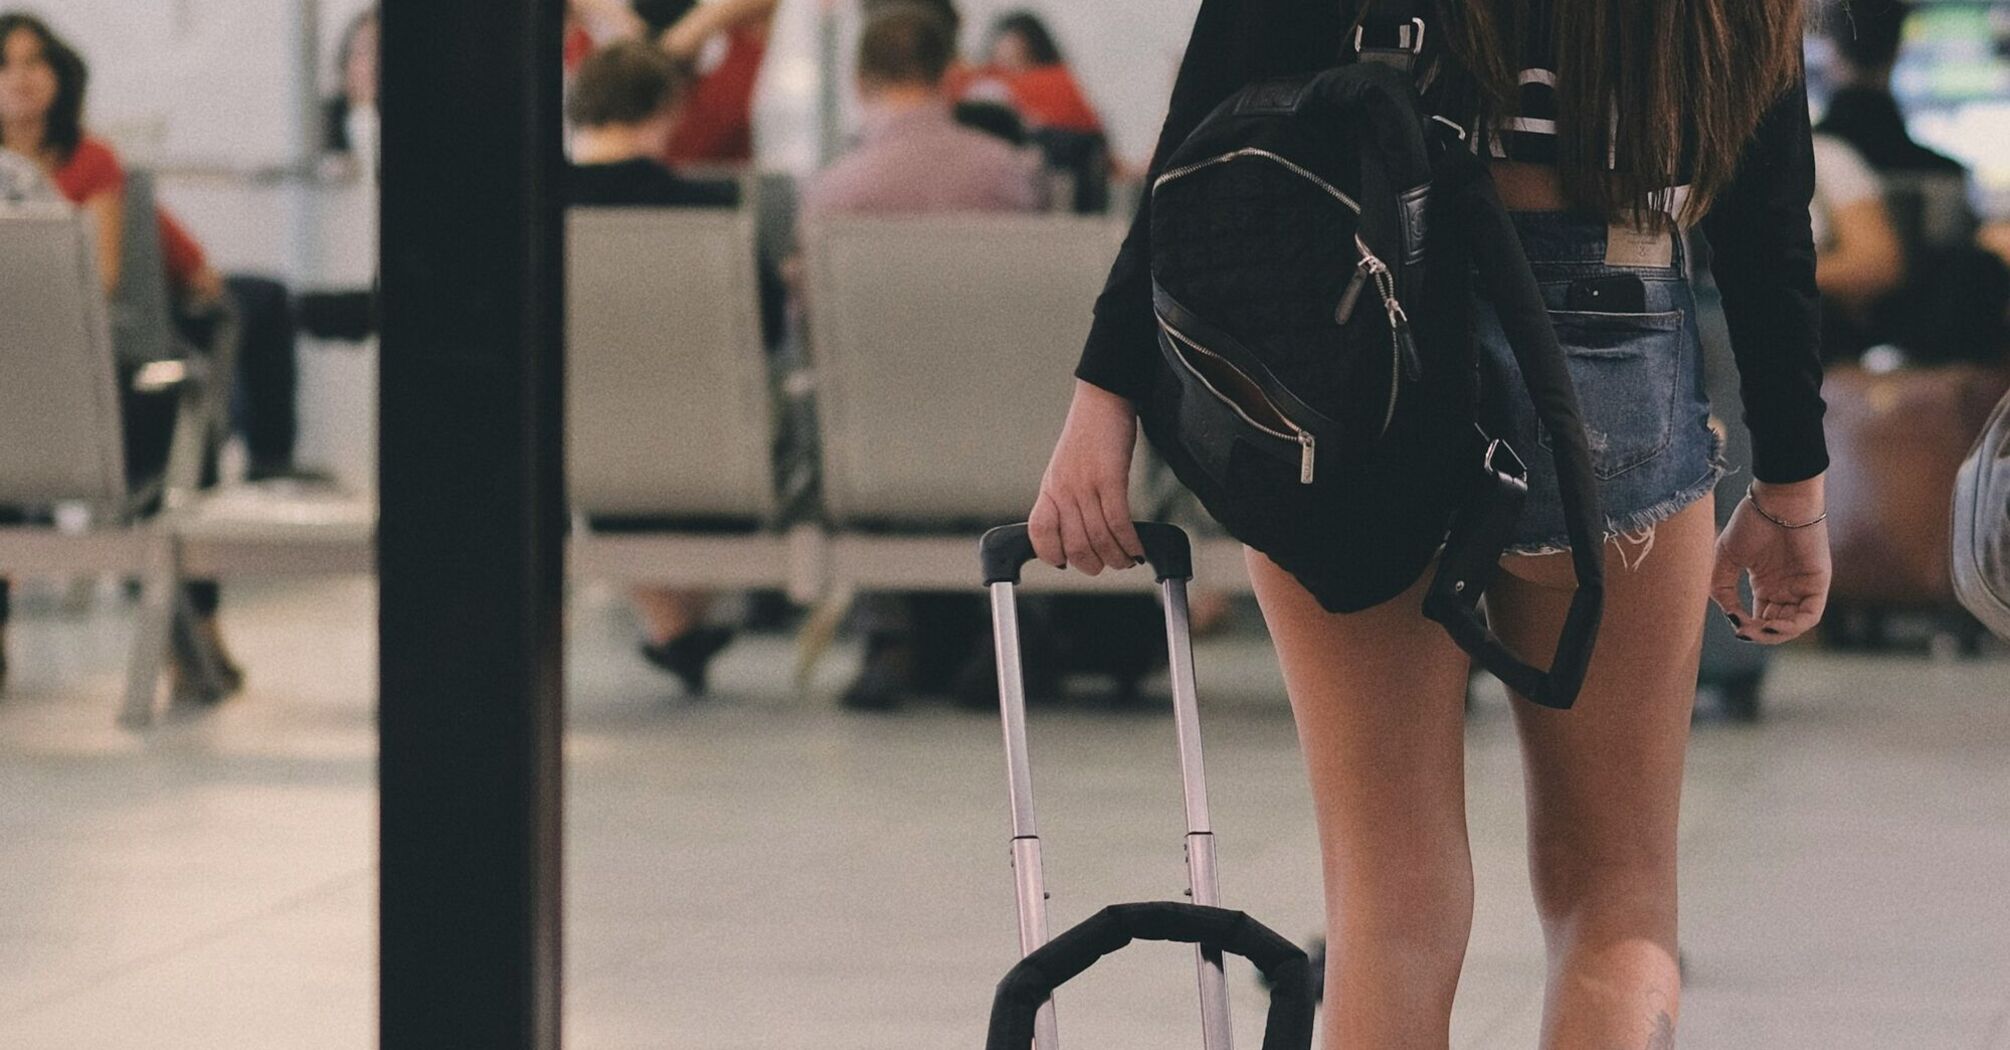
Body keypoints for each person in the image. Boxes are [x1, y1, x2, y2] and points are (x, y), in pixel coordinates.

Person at [1029, 1, 1831, 1046]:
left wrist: (1107, 390)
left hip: (1356, 328)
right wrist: (1791, 490)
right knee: (1618, 898)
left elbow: (1213, 116)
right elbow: (1769, 209)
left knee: (1387, 907)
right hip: (1610, 331)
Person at [800, 3, 1044, 712]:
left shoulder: (834, 191)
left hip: (877, 447)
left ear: (858, 78)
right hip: (1000, 435)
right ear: (950, 75)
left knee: (854, 410)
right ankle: (998, 633)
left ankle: (891, 632)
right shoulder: (1009, 177)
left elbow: (809, 331)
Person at [0, 12, 243, 697]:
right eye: (6, 63)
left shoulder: (92, 161)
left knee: (165, 427)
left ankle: (195, 631)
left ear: (58, 74)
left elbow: (98, 279)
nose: (20, 78)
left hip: (81, 355)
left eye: (33, 61)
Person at [567, 40, 787, 694]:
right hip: (709, 452)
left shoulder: (533, 209)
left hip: (582, 452)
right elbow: (767, 331)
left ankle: (676, 630)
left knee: (605, 433)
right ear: (667, 109)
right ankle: (680, 628)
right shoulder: (711, 215)